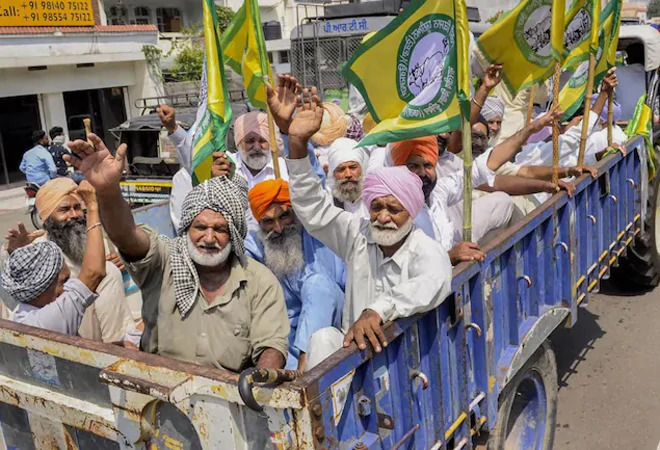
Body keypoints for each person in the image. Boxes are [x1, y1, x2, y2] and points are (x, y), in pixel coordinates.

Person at [65, 133, 290, 373]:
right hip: (158, 388)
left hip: (227, 397)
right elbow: (126, 236)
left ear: (234, 234)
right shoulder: (164, 261)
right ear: (186, 228)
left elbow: (271, 346)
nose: (209, 238)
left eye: (220, 229)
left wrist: (263, 378)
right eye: (200, 227)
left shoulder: (258, 280)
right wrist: (108, 192)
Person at [270, 81, 452, 369]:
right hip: (355, 359)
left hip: (408, 365)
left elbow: (432, 282)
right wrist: (296, 143)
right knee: (323, 339)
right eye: (376, 207)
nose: (383, 217)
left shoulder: (425, 248)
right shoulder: (358, 234)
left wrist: (377, 310)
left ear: (412, 211)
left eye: (394, 209)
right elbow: (313, 209)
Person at [1, 178, 136, 343]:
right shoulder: (38, 252)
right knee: (108, 272)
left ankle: (121, 343)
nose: (74, 215)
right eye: (64, 209)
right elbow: (94, 274)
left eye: (77, 207)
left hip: (96, 321)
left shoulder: (92, 237)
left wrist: (121, 261)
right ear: (46, 217)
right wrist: (14, 251)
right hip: (66, 325)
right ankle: (120, 347)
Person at [245, 179, 346, 370]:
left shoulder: (319, 233)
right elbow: (234, 257)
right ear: (259, 223)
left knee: (317, 284)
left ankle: (303, 374)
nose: (278, 228)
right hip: (287, 335)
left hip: (332, 321)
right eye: (268, 221)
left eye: (284, 217)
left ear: (294, 212)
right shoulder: (257, 245)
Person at [390, 136, 513, 264]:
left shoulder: (438, 193)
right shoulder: (396, 213)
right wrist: (449, 257)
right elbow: (407, 266)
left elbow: (479, 169)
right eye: (413, 166)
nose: (422, 173)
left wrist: (528, 131)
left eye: (427, 165)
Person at [326, 138, 370, 218]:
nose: (348, 174)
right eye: (341, 169)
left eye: (353, 167)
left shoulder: (373, 197)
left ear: (361, 168)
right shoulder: (328, 202)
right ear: (334, 173)